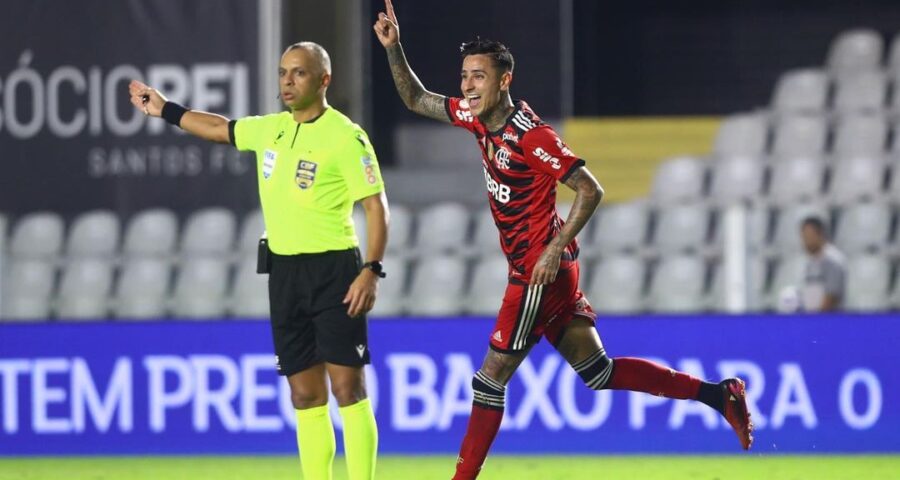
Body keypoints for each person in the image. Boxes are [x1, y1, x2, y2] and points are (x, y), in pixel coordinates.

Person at [373, 2, 753, 478]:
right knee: (599, 372)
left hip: (537, 269)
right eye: (465, 76)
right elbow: (416, 98)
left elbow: (591, 189)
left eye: (478, 77)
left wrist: (552, 250)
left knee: (489, 381)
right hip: (550, 265)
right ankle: (719, 395)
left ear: (504, 81)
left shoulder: (531, 137)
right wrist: (393, 48)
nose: (468, 87)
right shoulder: (476, 119)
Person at [129, 41, 386, 480]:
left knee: (348, 389)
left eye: (299, 73)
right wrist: (166, 109)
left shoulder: (346, 136)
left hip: (335, 272)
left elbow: (376, 208)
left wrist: (371, 270)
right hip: (285, 274)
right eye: (284, 72)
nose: (287, 81)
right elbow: (220, 128)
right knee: (304, 396)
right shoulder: (271, 129)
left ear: (324, 80)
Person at [799, 216, 846, 312]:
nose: (805, 242)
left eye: (809, 237)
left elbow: (832, 295)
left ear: (820, 235)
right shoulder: (810, 261)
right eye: (804, 237)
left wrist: (818, 319)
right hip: (812, 317)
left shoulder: (833, 260)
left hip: (828, 320)